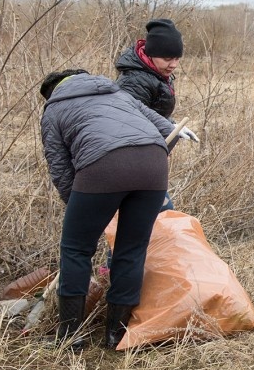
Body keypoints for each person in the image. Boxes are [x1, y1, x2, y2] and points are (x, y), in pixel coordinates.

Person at [40, 69, 178, 351]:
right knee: (132, 249)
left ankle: (69, 336)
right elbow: (165, 127)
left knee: (76, 248)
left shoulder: (54, 108)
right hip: (154, 163)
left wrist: (81, 209)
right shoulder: (118, 93)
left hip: (104, 164)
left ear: (53, 91)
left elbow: (60, 168)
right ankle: (116, 335)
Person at [115, 18, 197, 210]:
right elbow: (132, 123)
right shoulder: (134, 81)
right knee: (159, 213)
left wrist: (173, 126)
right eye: (168, 59)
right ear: (151, 54)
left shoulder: (157, 74)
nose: (174, 64)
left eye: (177, 58)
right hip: (134, 161)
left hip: (148, 156)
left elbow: (152, 112)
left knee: (153, 216)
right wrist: (169, 128)